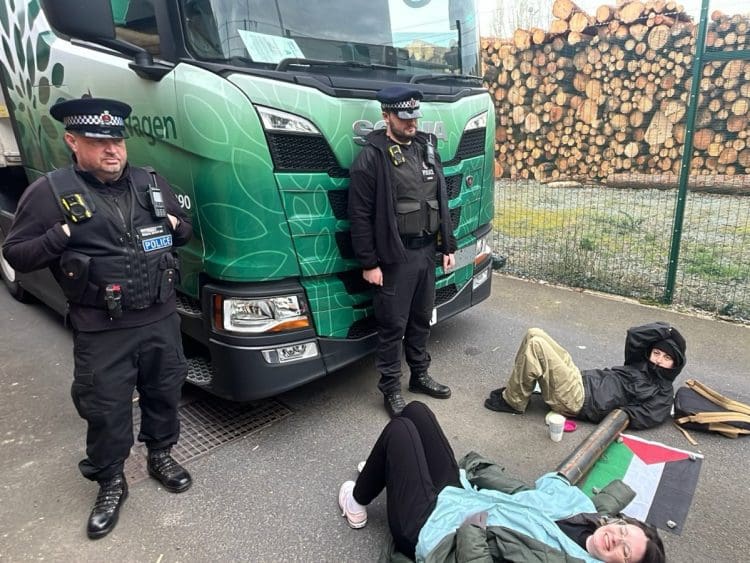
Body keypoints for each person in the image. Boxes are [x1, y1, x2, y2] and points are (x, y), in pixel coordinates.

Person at [2, 97, 193, 539]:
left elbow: (182, 229)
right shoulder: (52, 191)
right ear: (73, 142)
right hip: (102, 328)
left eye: (117, 140)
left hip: (160, 318)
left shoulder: (150, 182)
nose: (112, 150)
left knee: (164, 393)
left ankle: (160, 455)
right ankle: (110, 481)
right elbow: (15, 252)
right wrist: (60, 234)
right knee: (105, 408)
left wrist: (176, 227)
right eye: (98, 141)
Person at [337, 401, 666, 562]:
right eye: (623, 532)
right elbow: (535, 491)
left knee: (400, 432)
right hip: (461, 498)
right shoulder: (585, 514)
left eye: (625, 553)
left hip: (435, 534)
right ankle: (388, 468)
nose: (615, 539)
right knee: (416, 412)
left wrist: (471, 531)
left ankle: (358, 501)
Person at [347, 85, 457, 418]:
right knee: (393, 325)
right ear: (386, 116)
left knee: (422, 318)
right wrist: (369, 262)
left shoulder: (426, 147)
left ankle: (420, 375)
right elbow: (360, 215)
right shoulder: (371, 156)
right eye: (404, 117)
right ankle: (391, 389)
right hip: (395, 257)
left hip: (426, 252)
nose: (412, 123)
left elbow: (440, 197)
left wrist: (447, 246)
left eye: (414, 116)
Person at [484, 322, 687, 430]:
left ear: (675, 364)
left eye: (667, 357)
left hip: (579, 400)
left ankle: (514, 401)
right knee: (534, 333)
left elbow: (635, 418)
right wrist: (667, 331)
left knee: (537, 347)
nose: (659, 360)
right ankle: (517, 392)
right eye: (657, 353)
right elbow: (635, 334)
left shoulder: (662, 394)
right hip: (579, 379)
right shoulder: (640, 363)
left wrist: (602, 416)